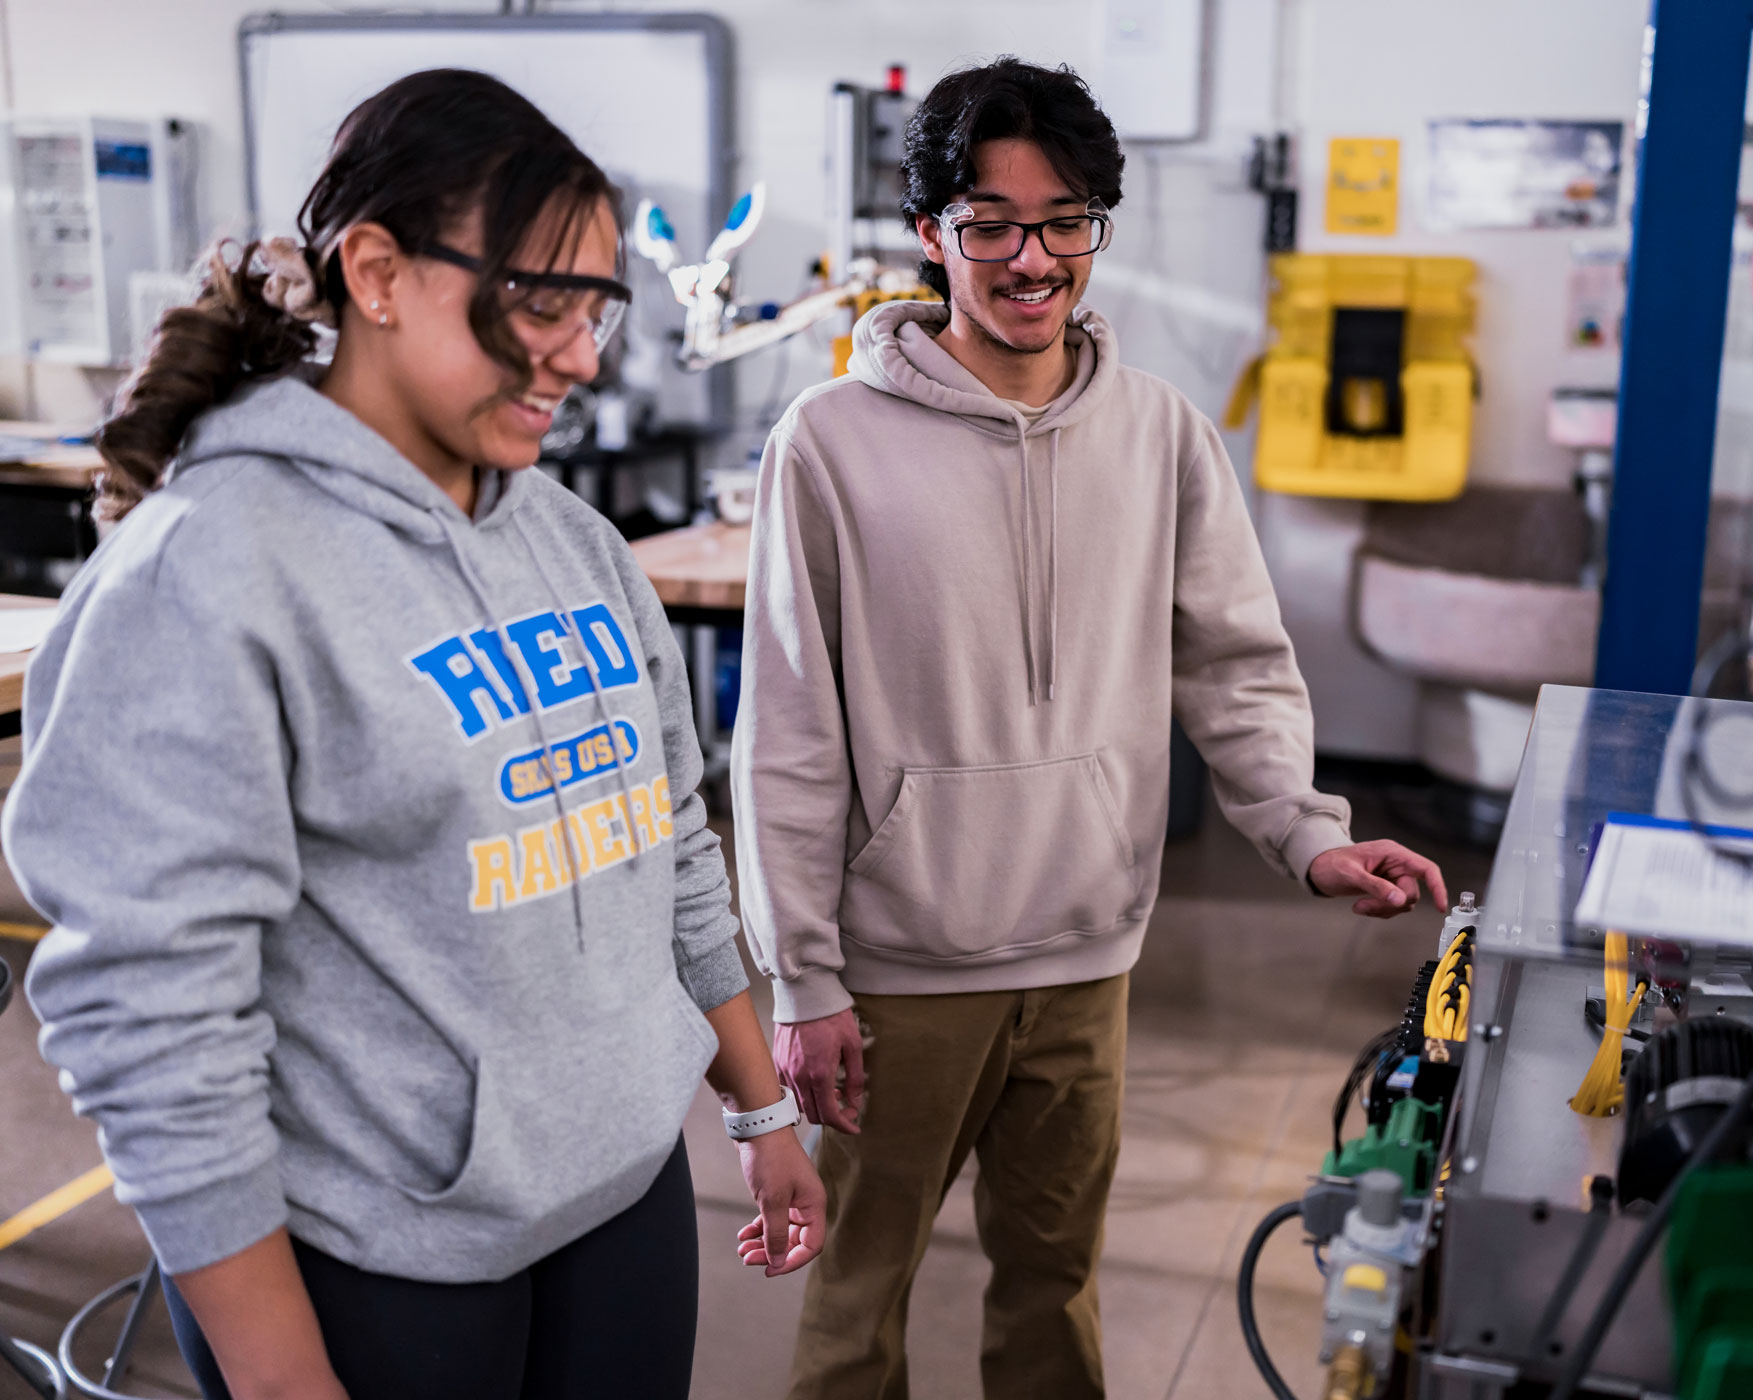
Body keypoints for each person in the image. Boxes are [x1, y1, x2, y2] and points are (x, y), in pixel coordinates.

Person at [2, 70, 821, 1400]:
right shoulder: (206, 573)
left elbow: (666, 837)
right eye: (538, 302)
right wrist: (280, 1379)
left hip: (623, 1195)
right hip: (380, 1254)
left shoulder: (580, 547)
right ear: (378, 272)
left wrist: (757, 1104)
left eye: (595, 309)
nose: (579, 354)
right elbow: (153, 1019)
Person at [729, 57, 1449, 1400]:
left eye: (1065, 220)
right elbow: (785, 733)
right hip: (898, 975)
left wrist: (1305, 831)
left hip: (1085, 958)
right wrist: (804, 976)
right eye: (990, 222)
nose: (1031, 256)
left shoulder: (1163, 433)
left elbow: (1235, 661)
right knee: (859, 1299)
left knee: (1056, 1290)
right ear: (933, 234)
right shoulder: (828, 444)